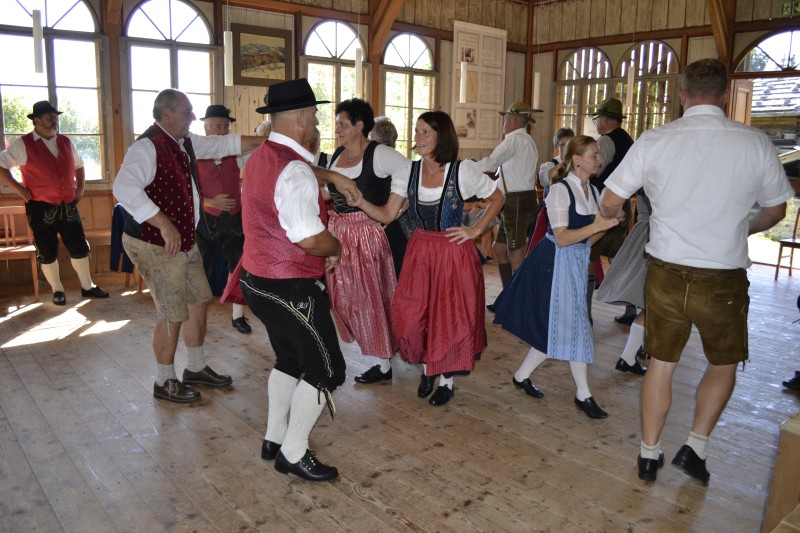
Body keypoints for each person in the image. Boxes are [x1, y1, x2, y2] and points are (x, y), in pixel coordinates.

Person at [600, 58, 793, 484]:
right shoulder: (755, 142)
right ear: (725, 95)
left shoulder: (656, 140)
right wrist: (745, 226)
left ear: (682, 95)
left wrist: (613, 215)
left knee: (661, 364)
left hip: (666, 272)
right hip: (722, 275)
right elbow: (777, 208)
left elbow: (610, 202)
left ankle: (649, 454)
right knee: (723, 364)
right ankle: (696, 448)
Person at [238, 78, 360, 481]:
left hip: (256, 282)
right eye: (313, 115)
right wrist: (336, 248)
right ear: (303, 118)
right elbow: (309, 237)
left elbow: (297, 167)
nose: (315, 122)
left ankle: (273, 438)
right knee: (328, 370)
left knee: (291, 359)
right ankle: (292, 452)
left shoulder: (260, 156)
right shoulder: (294, 170)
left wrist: (330, 176)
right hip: (290, 287)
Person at [113, 89, 264, 404]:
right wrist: (164, 223)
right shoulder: (147, 147)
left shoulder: (186, 143)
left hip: (182, 240)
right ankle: (164, 380)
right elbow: (123, 187)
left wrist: (269, 138)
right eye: (187, 112)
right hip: (152, 241)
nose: (193, 117)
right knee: (172, 310)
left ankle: (194, 368)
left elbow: (226, 144)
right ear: (166, 113)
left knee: (199, 298)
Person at [352, 111, 504, 406]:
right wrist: (360, 202)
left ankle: (444, 380)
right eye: (417, 131)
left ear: (441, 137)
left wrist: (476, 229)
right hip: (420, 251)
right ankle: (427, 368)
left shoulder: (462, 171)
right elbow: (387, 214)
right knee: (412, 316)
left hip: (452, 251)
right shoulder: (408, 171)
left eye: (425, 133)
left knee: (448, 318)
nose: (418, 138)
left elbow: (498, 197)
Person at [493, 135, 620, 419]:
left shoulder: (594, 191)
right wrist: (598, 225)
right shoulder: (560, 190)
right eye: (594, 154)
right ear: (576, 160)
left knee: (560, 324)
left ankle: (522, 374)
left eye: (598, 155)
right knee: (577, 326)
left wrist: (607, 225)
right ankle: (583, 394)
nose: (599, 159)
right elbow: (562, 238)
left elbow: (588, 239)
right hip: (553, 263)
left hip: (574, 262)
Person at [326, 99, 410, 384]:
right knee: (344, 299)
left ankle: (383, 362)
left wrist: (399, 204)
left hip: (371, 236)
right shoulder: (336, 155)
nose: (337, 128)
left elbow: (410, 172)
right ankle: (380, 354)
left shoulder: (380, 154)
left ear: (360, 125)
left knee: (373, 299)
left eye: (342, 123)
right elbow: (328, 194)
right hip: (340, 234)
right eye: (337, 123)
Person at [0, 101, 109, 306]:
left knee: (79, 246)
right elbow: (2, 165)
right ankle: (57, 290)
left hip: (68, 204)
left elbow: (79, 165)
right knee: (47, 250)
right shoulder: (23, 144)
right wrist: (19, 189)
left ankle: (88, 287)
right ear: (37, 120)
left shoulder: (66, 142)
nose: (54, 120)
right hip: (40, 206)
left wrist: (81, 188)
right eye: (49, 117)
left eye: (55, 116)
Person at [195, 104, 251, 334]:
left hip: (234, 221)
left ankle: (238, 316)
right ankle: (196, 319)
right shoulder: (193, 154)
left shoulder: (235, 152)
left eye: (226, 126)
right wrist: (208, 202)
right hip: (206, 221)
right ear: (206, 128)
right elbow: (182, 191)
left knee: (239, 265)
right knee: (199, 270)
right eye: (218, 126)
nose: (223, 130)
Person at [474, 102, 539, 291]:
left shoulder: (513, 140)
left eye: (504, 119)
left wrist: (465, 169)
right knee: (498, 249)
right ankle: (508, 295)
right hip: (519, 200)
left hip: (515, 201)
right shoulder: (527, 140)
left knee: (515, 254)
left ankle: (517, 301)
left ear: (511, 120)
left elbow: (492, 163)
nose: (503, 123)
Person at [595, 191, 652, 375]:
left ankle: (637, 351)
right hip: (656, 234)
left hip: (648, 232)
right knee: (653, 302)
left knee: (651, 301)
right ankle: (630, 355)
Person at [590, 97, 636, 323]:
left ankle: (583, 310)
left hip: (606, 203)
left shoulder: (606, 141)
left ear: (605, 119)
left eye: (597, 118)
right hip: (624, 203)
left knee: (589, 255)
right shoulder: (628, 140)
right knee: (621, 256)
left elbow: (595, 170)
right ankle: (631, 310)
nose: (596, 122)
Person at [368, 115, 410, 275]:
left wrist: (396, 213)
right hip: (394, 225)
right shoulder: (401, 160)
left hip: (389, 225)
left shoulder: (383, 161)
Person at [538, 128, 574, 195]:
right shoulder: (548, 166)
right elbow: (544, 181)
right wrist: (565, 162)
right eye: (563, 145)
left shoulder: (578, 164)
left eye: (570, 145)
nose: (567, 148)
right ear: (556, 147)